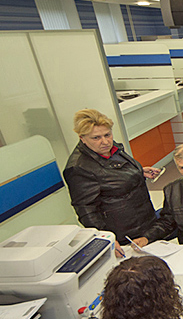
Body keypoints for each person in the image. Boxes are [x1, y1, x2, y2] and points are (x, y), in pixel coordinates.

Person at [63, 108, 159, 258]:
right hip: (124, 233)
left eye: (107, 135)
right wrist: (107, 239)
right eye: (96, 138)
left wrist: (138, 172)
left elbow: (114, 174)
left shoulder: (112, 148)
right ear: (82, 138)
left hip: (145, 220)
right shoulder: (79, 167)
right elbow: (86, 209)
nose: (105, 142)